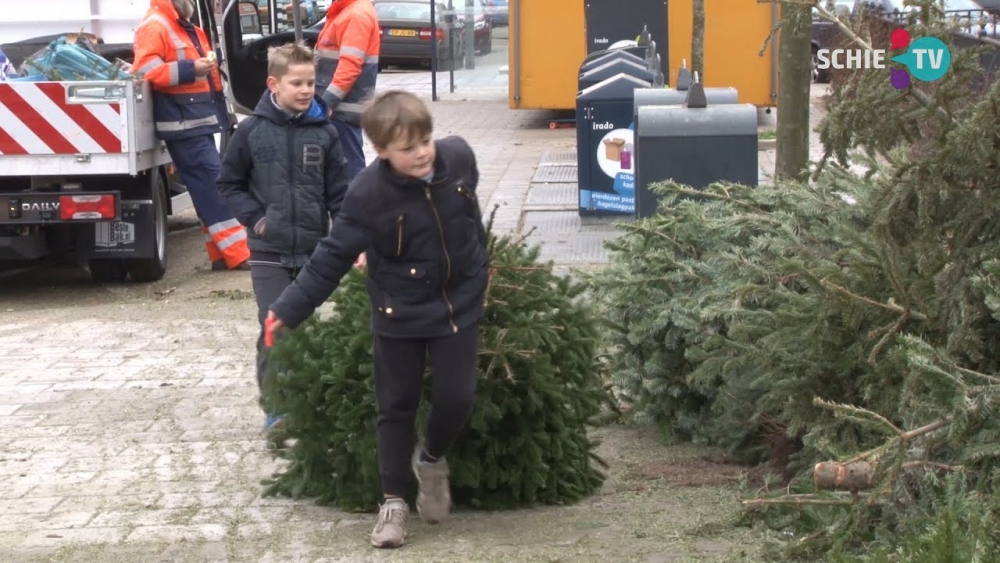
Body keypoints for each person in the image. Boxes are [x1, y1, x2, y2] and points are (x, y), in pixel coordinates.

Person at [266, 90, 490, 549]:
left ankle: (430, 461)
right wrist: (287, 309)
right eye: (408, 148)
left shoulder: (459, 158)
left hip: (457, 305)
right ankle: (393, 504)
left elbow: (470, 216)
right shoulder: (368, 195)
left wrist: (480, 267)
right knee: (397, 406)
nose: (423, 153)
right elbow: (330, 257)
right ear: (382, 150)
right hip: (399, 311)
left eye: (425, 140)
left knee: (456, 398)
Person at [216, 42, 350, 431]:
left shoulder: (325, 134)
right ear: (273, 84)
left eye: (311, 82)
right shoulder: (251, 132)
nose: (307, 90)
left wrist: (346, 238)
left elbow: (340, 194)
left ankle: (306, 407)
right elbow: (228, 183)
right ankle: (276, 410)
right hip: (268, 250)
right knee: (274, 323)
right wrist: (257, 220)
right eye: (297, 83)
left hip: (312, 252)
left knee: (305, 329)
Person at [133, 0, 251, 271]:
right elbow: (145, 71)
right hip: (184, 122)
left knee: (206, 189)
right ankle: (238, 254)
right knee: (213, 186)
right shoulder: (157, 24)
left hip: (195, 120)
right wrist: (192, 70)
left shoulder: (178, 23)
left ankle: (222, 255)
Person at [315, 0, 380, 179]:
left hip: (341, 111)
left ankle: (356, 206)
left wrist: (326, 104)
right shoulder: (346, 11)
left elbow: (349, 66)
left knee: (349, 173)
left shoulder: (355, 14)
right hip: (341, 110)